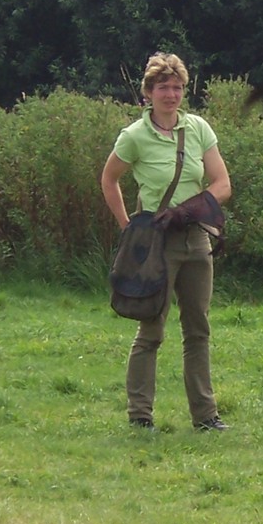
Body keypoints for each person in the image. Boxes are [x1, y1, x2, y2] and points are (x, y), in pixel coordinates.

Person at [101, 52, 232, 432]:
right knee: (152, 329)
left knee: (198, 329)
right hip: (155, 244)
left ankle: (206, 417)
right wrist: (128, 226)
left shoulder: (199, 130)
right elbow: (108, 179)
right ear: (148, 93)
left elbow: (222, 185)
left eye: (177, 87)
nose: (171, 95)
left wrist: (191, 209)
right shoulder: (134, 136)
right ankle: (140, 415)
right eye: (163, 88)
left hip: (196, 240)